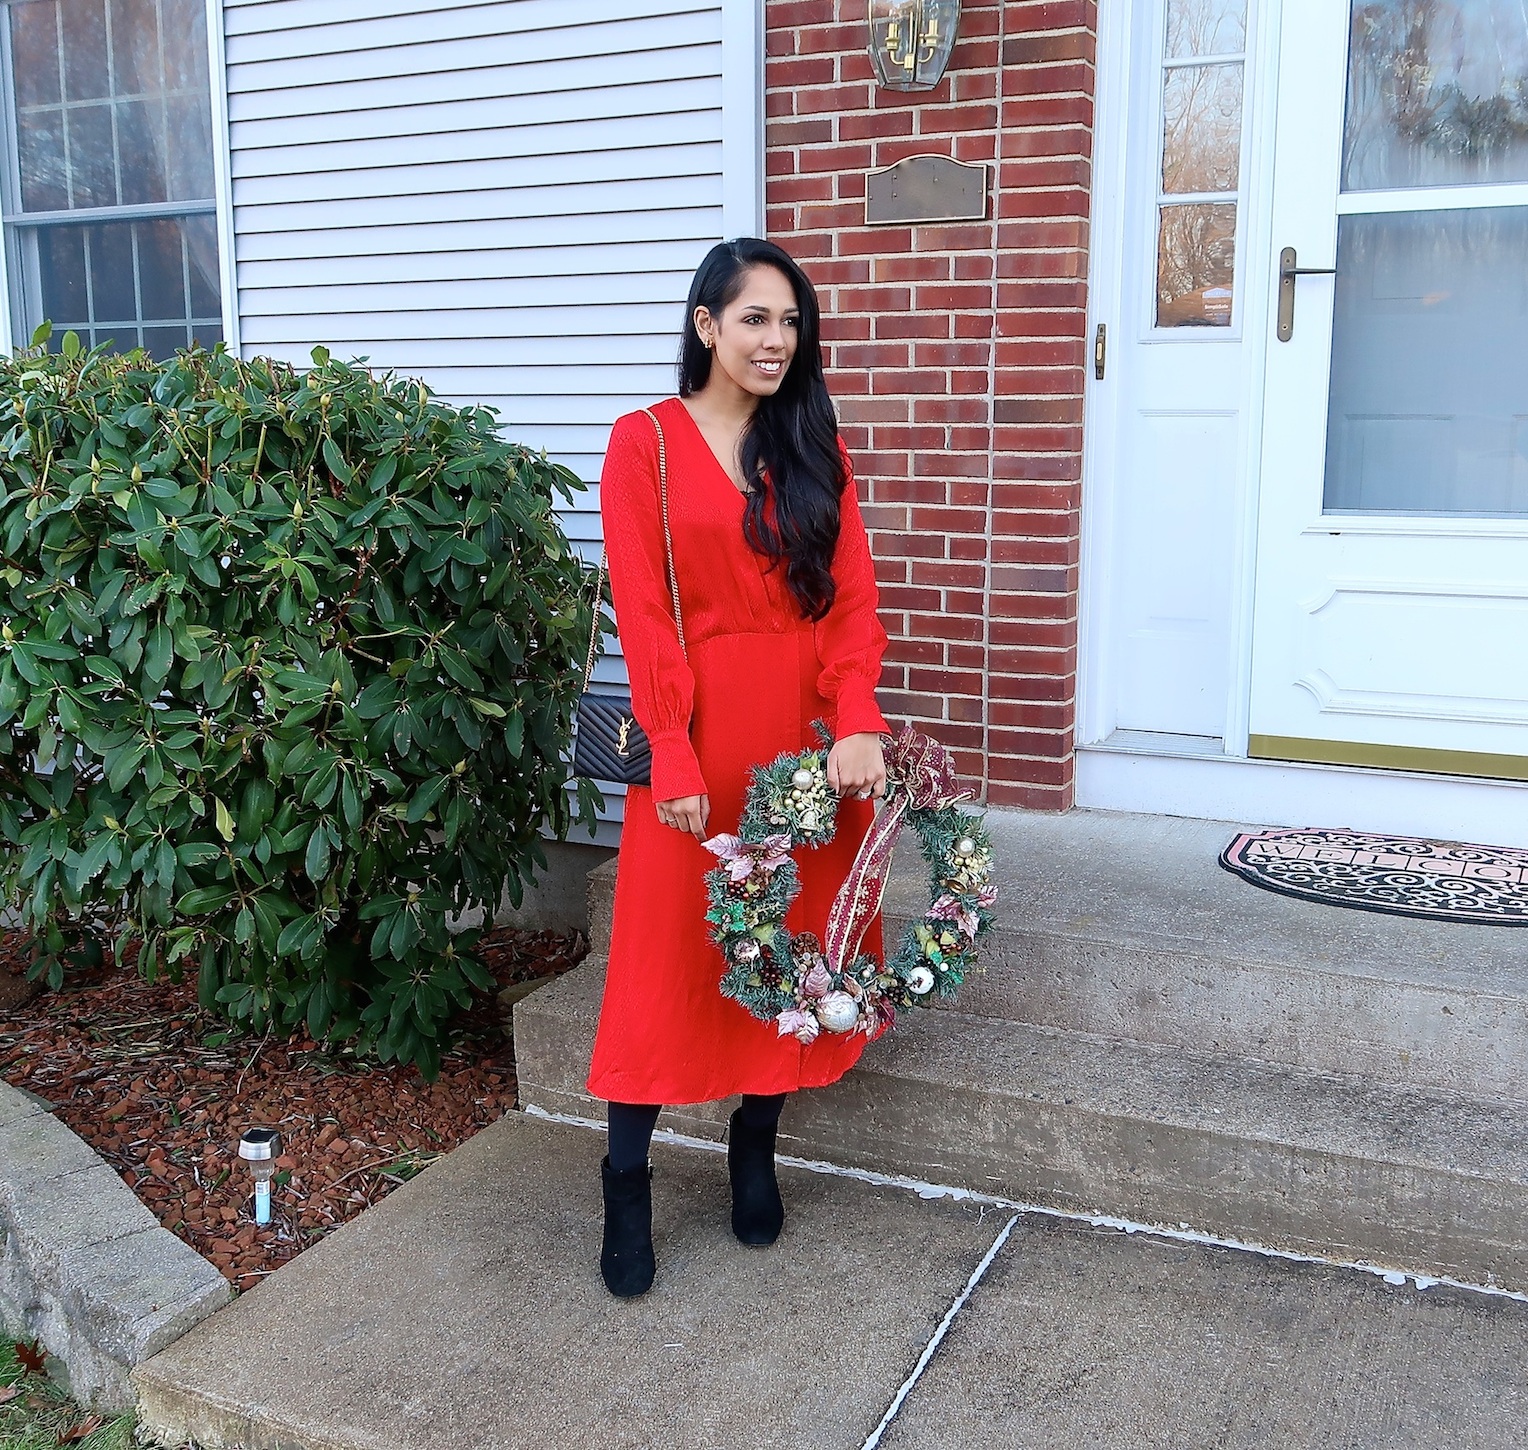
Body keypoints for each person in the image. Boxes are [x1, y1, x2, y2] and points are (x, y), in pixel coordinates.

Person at [587, 237, 891, 1298]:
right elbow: (641, 607)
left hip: (806, 740)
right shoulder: (646, 444)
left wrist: (856, 714)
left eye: (791, 321)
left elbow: (849, 594)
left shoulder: (810, 441)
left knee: (789, 951)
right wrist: (668, 743)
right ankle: (625, 1179)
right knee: (667, 958)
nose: (776, 339)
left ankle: (752, 1148)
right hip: (703, 741)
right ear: (706, 325)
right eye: (755, 318)